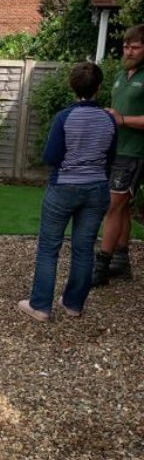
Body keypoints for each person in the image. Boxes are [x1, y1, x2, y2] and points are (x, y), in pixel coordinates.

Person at [18, 61, 116, 322]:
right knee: (84, 248)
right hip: (96, 189)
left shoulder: (65, 117)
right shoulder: (109, 119)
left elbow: (50, 156)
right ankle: (73, 305)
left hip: (64, 187)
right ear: (99, 87)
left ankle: (40, 307)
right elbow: (110, 158)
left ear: (72, 86)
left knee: (49, 248)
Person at [94, 24, 144, 285]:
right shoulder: (121, 75)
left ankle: (101, 266)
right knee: (122, 209)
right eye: (126, 46)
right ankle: (121, 263)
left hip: (135, 152)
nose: (129, 51)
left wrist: (122, 119)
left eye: (135, 47)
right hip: (117, 149)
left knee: (111, 206)